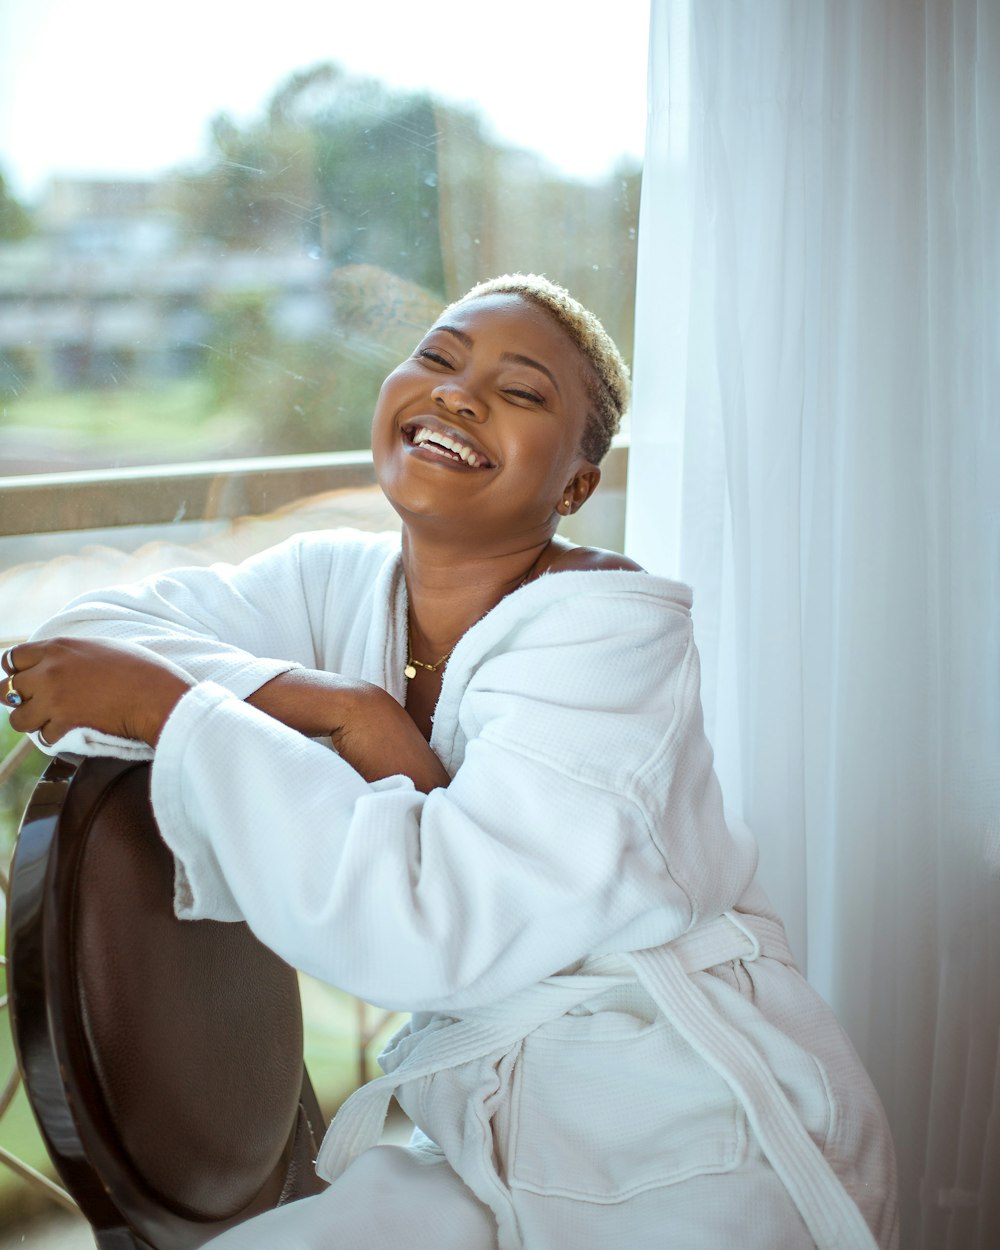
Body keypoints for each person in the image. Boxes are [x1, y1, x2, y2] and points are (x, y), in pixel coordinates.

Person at [2, 274, 898, 1250]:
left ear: (576, 486)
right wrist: (339, 705)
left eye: (520, 392)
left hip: (683, 1126)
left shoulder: (613, 639)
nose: (458, 392)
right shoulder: (336, 582)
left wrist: (174, 705)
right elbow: (70, 647)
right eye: (436, 356)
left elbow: (429, 928)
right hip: (481, 1133)